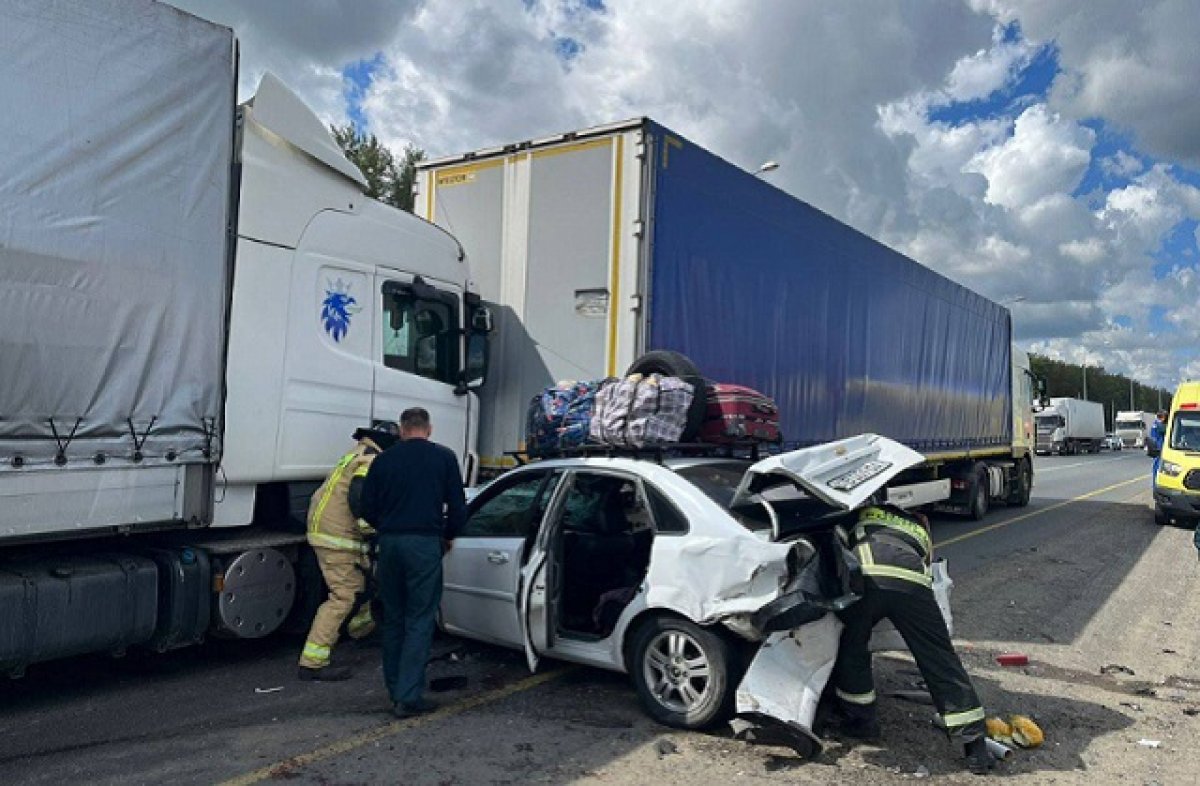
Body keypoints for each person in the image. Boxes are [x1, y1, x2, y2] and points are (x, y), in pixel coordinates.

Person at [831, 503, 993, 775]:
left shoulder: (860, 515)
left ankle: (862, 722)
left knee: (853, 649)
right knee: (939, 658)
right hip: (913, 583)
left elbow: (836, 547)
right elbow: (927, 562)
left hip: (868, 579)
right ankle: (975, 747)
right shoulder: (917, 528)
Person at [361, 407, 467, 717]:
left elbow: (365, 505)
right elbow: (458, 508)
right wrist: (448, 535)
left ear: (402, 429)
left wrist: (387, 528)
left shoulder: (383, 460)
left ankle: (395, 691)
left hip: (390, 543)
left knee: (393, 617)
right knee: (419, 618)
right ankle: (409, 697)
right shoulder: (443, 458)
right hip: (424, 544)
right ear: (429, 429)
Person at [298, 422, 400, 681]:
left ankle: (362, 630)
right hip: (338, 537)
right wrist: (370, 529)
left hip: (328, 531)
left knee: (362, 582)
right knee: (344, 596)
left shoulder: (355, 453)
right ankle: (312, 662)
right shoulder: (371, 459)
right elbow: (359, 496)